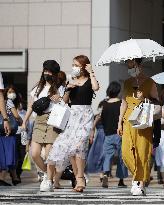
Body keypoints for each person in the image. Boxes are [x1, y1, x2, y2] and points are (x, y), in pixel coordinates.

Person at [44, 55, 99, 193]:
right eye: (73, 64)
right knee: (71, 150)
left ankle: (80, 178)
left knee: (79, 145)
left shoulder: (89, 79)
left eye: (76, 65)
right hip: (72, 116)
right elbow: (65, 101)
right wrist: (68, 88)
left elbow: (96, 87)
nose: (73, 67)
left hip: (85, 115)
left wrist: (92, 72)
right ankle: (79, 178)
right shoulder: (71, 81)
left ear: (84, 66)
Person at [117, 58, 159, 196]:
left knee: (142, 152)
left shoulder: (150, 82)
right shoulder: (127, 83)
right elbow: (123, 103)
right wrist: (119, 122)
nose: (129, 68)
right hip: (128, 120)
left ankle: (140, 183)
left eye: (132, 65)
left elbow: (157, 101)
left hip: (143, 119)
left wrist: (144, 99)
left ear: (139, 65)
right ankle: (137, 176)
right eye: (128, 65)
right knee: (126, 152)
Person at [21, 60, 65, 187]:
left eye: (50, 71)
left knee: (49, 154)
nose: (47, 73)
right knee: (34, 153)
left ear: (55, 73)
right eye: (45, 70)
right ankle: (47, 173)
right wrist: (25, 121)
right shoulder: (37, 88)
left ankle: (49, 181)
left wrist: (60, 98)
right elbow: (31, 105)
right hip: (39, 121)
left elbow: (65, 104)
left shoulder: (60, 88)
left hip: (53, 120)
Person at [100, 81, 128, 188]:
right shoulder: (122, 103)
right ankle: (121, 180)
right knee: (122, 157)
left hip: (108, 134)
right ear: (118, 91)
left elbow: (102, 119)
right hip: (120, 134)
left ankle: (106, 173)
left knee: (108, 155)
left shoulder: (105, 104)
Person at [0, 85, 22, 186]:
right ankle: (3, 177)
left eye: (13, 91)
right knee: (10, 154)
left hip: (1, 132)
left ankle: (14, 176)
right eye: (9, 92)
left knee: (4, 153)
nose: (11, 94)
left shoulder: (2, 102)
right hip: (9, 131)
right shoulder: (8, 101)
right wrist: (21, 120)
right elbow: (16, 116)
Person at [86, 101, 106, 182]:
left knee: (104, 155)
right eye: (101, 108)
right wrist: (96, 120)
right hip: (99, 138)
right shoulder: (96, 116)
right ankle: (101, 173)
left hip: (106, 136)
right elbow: (92, 128)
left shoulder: (108, 116)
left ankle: (104, 173)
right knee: (97, 155)